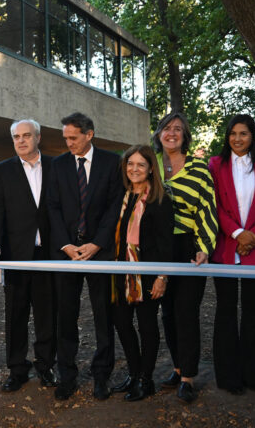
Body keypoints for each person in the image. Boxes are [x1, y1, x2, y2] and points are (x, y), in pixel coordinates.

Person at [47, 112, 122, 401]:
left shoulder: (112, 162)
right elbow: (52, 207)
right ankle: (67, 376)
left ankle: (102, 375)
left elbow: (115, 206)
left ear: (89, 135)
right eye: (65, 138)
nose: (68, 143)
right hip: (67, 253)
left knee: (104, 316)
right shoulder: (58, 165)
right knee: (65, 316)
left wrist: (97, 244)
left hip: (100, 253)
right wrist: (66, 245)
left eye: (73, 138)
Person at [208, 114, 255, 394]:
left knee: (252, 310)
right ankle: (229, 378)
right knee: (225, 310)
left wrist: (253, 237)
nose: (237, 139)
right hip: (226, 247)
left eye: (244, 134)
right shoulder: (216, 164)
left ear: (252, 137)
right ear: (227, 136)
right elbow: (214, 205)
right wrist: (238, 234)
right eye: (233, 133)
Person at [0, 120, 58, 392]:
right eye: (16, 137)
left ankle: (46, 365)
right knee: (15, 315)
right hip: (15, 255)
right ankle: (17, 369)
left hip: (47, 254)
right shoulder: (2, 170)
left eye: (26, 135)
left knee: (46, 314)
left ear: (38, 137)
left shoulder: (55, 166)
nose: (21, 141)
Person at [153, 111, 218, 403]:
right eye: (167, 128)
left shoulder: (199, 168)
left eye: (178, 129)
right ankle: (177, 367)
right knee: (167, 311)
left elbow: (207, 207)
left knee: (186, 311)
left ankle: (188, 377)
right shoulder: (151, 163)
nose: (172, 133)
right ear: (159, 133)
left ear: (185, 136)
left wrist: (204, 246)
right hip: (158, 246)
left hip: (189, 245)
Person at [110, 145, 173, 401]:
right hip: (119, 272)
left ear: (150, 169)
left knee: (147, 326)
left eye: (140, 165)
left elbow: (166, 243)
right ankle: (133, 374)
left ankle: (146, 380)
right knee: (122, 324)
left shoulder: (160, 200)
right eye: (130, 164)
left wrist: (162, 277)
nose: (134, 169)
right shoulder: (120, 196)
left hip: (147, 273)